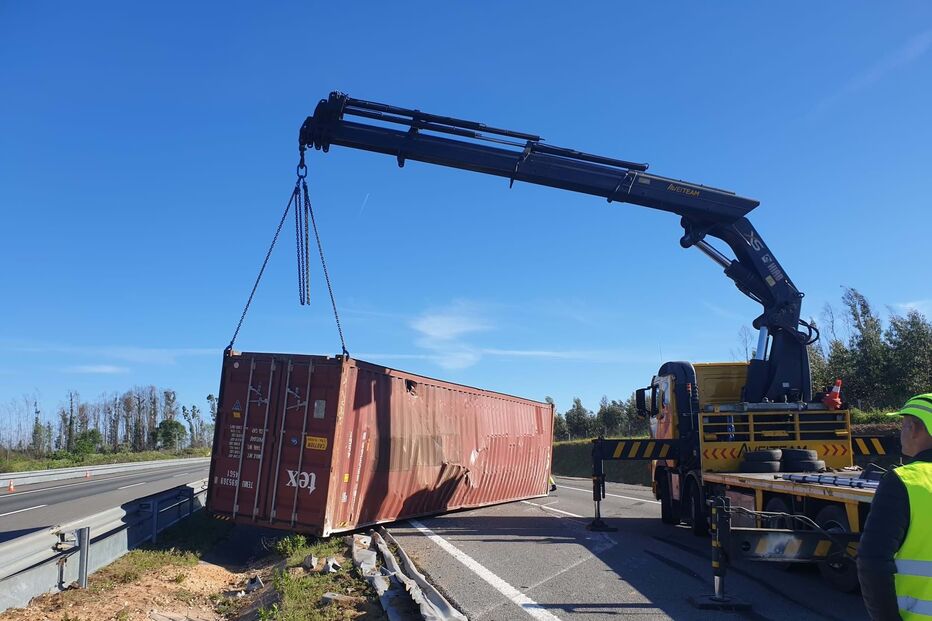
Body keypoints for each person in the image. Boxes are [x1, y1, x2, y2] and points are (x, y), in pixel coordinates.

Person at [858, 393, 932, 621]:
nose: (901, 433)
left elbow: (872, 561)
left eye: (902, 425)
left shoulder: (903, 481)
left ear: (914, 428)